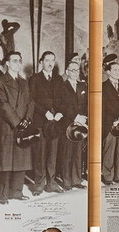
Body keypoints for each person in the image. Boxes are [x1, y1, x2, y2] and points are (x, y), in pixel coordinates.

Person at [0, 51, 34, 204]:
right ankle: (3, 194)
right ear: (7, 63)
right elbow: (2, 105)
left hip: (23, 125)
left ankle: (17, 192)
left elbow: (30, 103)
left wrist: (27, 120)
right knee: (6, 161)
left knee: (22, 159)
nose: (18, 63)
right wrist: (17, 122)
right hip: (8, 126)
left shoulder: (24, 82)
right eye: (14, 61)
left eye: (20, 61)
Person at [30, 51, 64, 194]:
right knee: (40, 153)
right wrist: (45, 112)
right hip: (40, 121)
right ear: (41, 62)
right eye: (47, 60)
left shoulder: (58, 79)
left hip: (55, 122)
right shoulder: (34, 79)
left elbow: (63, 99)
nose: (50, 63)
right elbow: (31, 100)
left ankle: (52, 183)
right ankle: (39, 184)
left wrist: (60, 113)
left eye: (52, 60)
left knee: (53, 153)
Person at [56, 61, 88, 190]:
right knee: (67, 153)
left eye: (77, 70)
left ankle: (76, 180)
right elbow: (61, 105)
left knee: (78, 152)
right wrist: (75, 117)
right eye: (72, 70)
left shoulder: (82, 85)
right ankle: (67, 181)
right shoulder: (61, 86)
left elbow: (87, 103)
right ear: (67, 72)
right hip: (68, 123)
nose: (75, 73)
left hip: (81, 123)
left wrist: (84, 118)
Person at [101, 62, 119, 185]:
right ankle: (108, 176)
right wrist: (116, 117)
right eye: (115, 70)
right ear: (108, 72)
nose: (118, 72)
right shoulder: (103, 86)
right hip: (110, 122)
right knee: (109, 150)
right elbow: (104, 106)